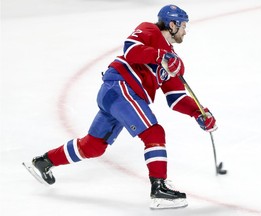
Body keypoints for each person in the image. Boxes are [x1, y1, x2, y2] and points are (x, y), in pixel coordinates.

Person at [30, 4, 217, 209]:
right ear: (172, 24)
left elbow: (176, 97)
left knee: (93, 146)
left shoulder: (173, 61)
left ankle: (44, 162)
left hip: (119, 97)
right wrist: (160, 56)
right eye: (183, 26)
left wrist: (198, 113)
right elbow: (131, 50)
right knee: (154, 133)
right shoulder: (149, 30)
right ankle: (159, 189)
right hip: (121, 87)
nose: (185, 31)